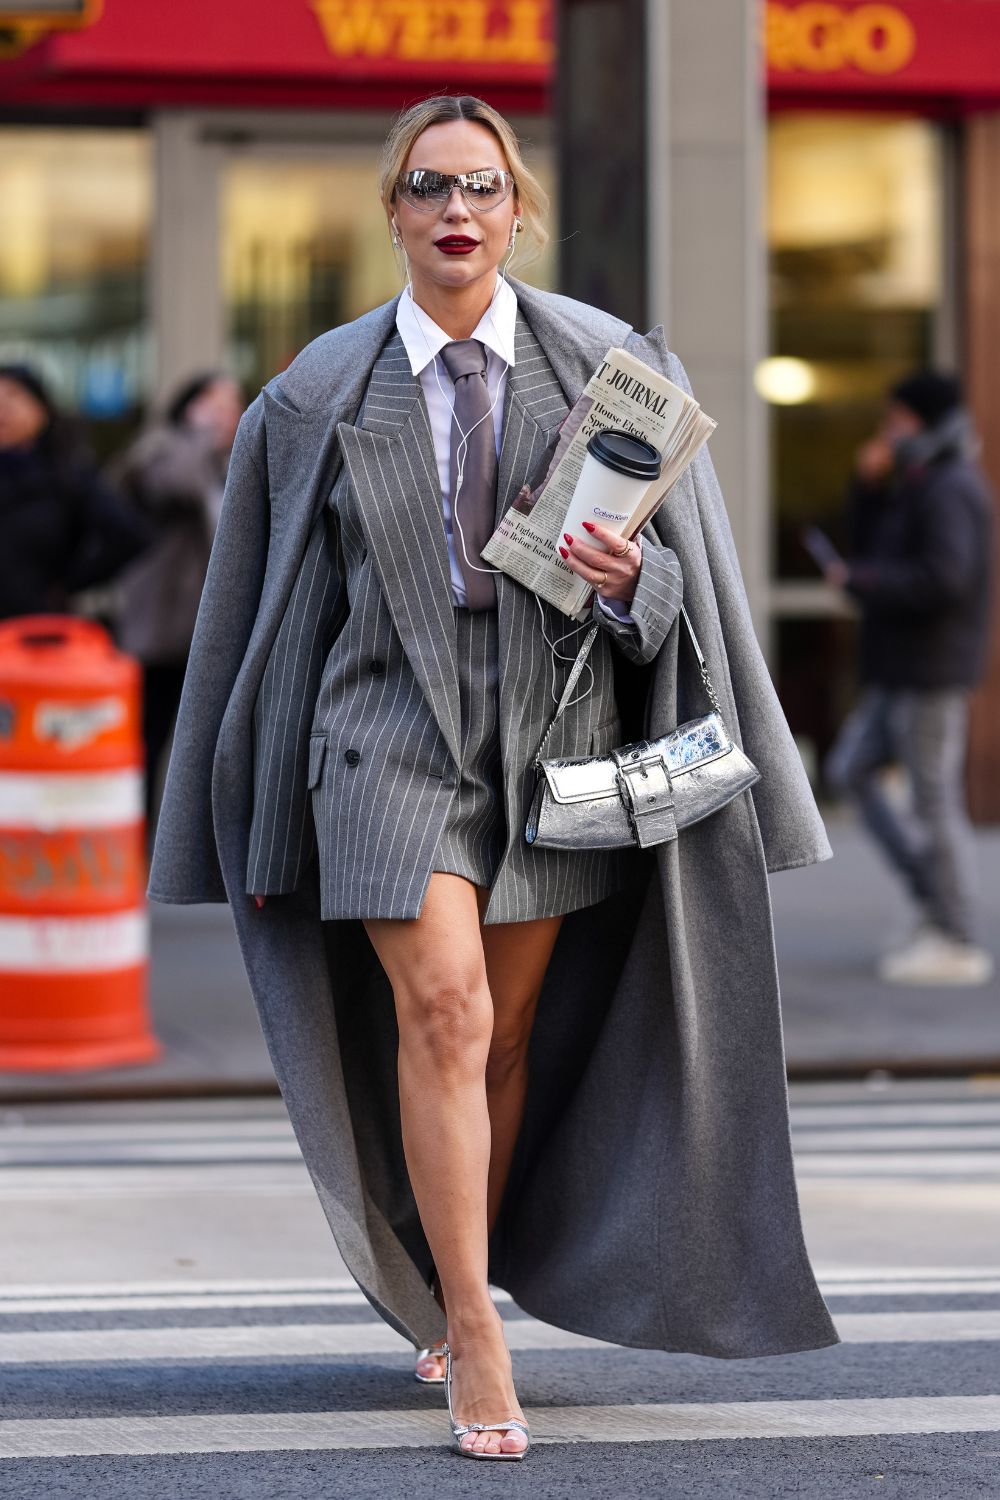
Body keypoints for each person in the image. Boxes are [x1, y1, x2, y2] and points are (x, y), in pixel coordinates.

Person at [149, 95, 838, 1463]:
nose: (455, 211)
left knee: (505, 1036)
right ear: (393, 214)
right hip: (380, 742)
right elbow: (274, 612)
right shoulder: (313, 395)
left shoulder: (612, 371)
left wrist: (633, 583)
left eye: (480, 186)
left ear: (518, 211)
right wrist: (261, 819)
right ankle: (473, 1323)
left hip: (560, 748)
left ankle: (453, 1260)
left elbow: (679, 610)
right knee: (449, 1013)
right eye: (426, 188)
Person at [823, 371, 994, 985]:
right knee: (851, 771)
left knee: (932, 802)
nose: (887, 431)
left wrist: (864, 583)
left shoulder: (950, 488)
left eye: (897, 419)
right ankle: (934, 898)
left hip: (931, 671)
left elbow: (945, 579)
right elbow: (875, 549)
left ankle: (956, 935)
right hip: (898, 669)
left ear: (922, 422)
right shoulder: (917, 482)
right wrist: (868, 489)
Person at [111, 373, 243, 827]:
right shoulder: (165, 448)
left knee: (202, 739)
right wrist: (199, 435)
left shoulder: (226, 461)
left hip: (204, 624)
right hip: (163, 623)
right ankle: (135, 825)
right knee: (148, 733)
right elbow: (177, 486)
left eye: (234, 404)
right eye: (216, 403)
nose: (228, 415)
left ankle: (185, 831)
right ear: (189, 407)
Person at [0, 364, 150, 621]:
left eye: (14, 395)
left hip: (38, 637)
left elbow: (127, 534)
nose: (3, 407)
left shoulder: (66, 476)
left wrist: (68, 585)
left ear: (42, 411)